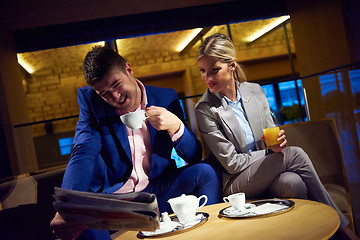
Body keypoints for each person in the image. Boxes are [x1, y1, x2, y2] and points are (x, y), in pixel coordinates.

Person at [194, 33, 358, 238]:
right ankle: (342, 231)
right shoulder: (205, 109)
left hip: (267, 171)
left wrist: (276, 145)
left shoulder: (255, 91)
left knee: (293, 183)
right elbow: (232, 164)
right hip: (235, 182)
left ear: (232, 66)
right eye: (202, 71)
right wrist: (271, 154)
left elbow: (271, 134)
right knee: (295, 155)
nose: (207, 78)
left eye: (214, 70)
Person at [50, 46, 221, 240]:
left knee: (207, 172)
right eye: (104, 93)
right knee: (80, 221)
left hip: (156, 192)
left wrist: (176, 126)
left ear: (129, 70)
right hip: (113, 200)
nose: (114, 98)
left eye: (116, 85)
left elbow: (193, 155)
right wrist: (67, 206)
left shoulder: (166, 97)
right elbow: (83, 152)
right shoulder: (91, 102)